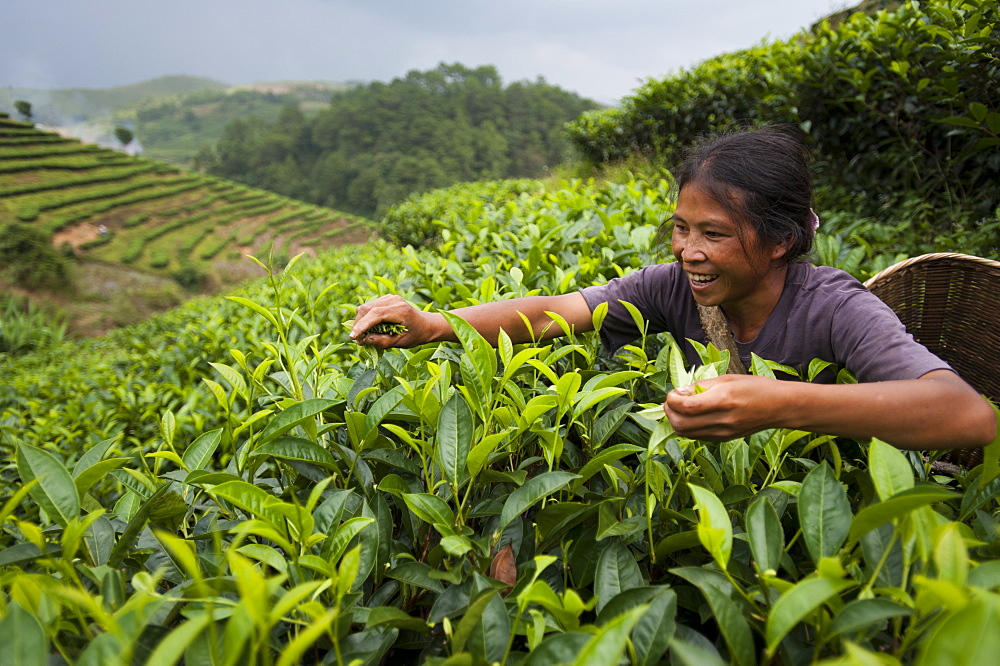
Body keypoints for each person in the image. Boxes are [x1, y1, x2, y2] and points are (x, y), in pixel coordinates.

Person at [350, 126, 997, 452]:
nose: (688, 251)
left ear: (778, 241)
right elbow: (553, 314)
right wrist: (436, 324)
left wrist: (777, 404)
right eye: (680, 228)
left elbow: (968, 416)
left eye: (713, 233)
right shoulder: (672, 289)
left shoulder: (834, 305)